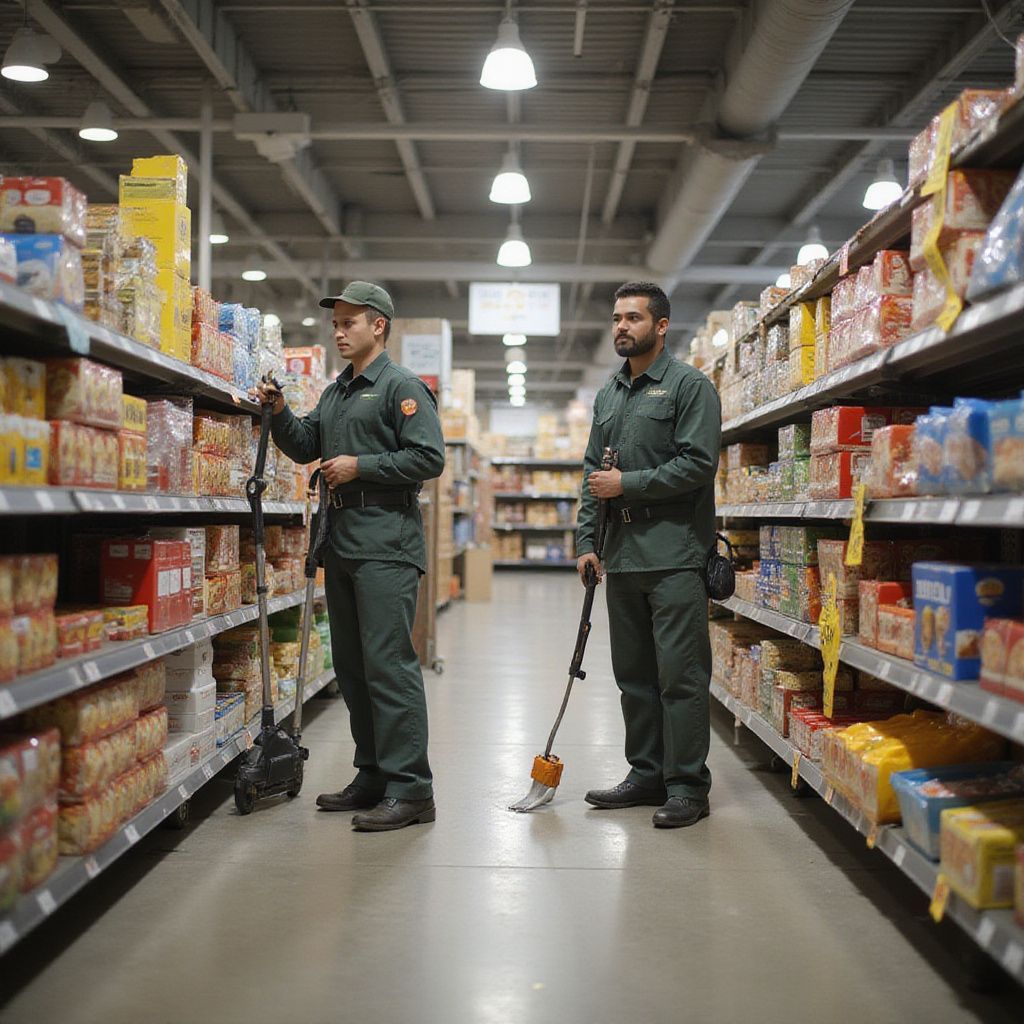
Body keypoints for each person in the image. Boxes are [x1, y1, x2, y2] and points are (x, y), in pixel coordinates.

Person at [253, 281, 445, 832]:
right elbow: (305, 443)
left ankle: (412, 789)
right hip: (339, 542)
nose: (338, 332)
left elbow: (429, 457)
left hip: (386, 543)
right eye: (335, 324)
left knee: (389, 666)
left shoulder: (401, 387)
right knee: (353, 668)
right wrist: (282, 409)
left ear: (378, 325)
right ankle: (373, 774)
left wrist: (361, 467)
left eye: (349, 323)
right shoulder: (338, 392)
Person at [576, 281, 721, 829]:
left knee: (679, 677)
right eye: (616, 317)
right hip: (623, 557)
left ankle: (687, 785)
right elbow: (592, 475)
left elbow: (697, 465)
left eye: (633, 318)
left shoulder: (690, 387)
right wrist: (586, 542)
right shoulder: (609, 393)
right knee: (632, 675)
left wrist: (627, 484)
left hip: (675, 554)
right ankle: (646, 773)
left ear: (661, 326)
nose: (621, 327)